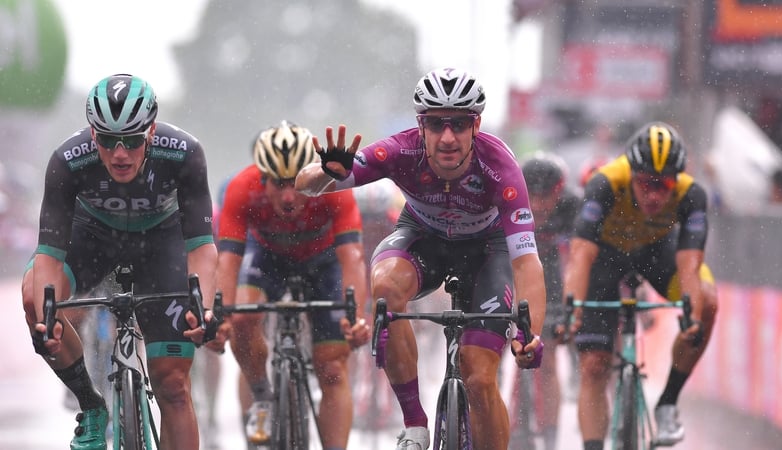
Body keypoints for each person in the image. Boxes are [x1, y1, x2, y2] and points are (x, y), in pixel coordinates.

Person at [295, 67, 547, 450]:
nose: (447, 137)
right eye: (435, 124)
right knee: (384, 286)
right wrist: (324, 174)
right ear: (420, 125)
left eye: (459, 124)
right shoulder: (401, 150)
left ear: (476, 125)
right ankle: (414, 423)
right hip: (424, 237)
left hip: (486, 250)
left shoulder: (501, 168)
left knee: (479, 377)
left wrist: (531, 334)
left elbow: (527, 262)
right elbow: (306, 185)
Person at [21, 73, 221, 450]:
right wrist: (47, 318)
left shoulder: (184, 153)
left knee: (174, 386)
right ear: (93, 135)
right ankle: (91, 405)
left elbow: (201, 246)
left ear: (151, 131)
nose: (120, 154)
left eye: (131, 140)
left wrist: (204, 306)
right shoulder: (67, 160)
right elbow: (49, 253)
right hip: (92, 238)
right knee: (34, 299)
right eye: (109, 141)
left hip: (161, 244)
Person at [214, 120, 370, 450]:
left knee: (331, 366)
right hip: (267, 255)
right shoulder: (242, 188)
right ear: (262, 178)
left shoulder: (332, 187)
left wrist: (356, 318)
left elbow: (352, 258)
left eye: (296, 183)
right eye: (278, 184)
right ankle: (261, 398)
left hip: (323, 260)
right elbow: (228, 261)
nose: (288, 196)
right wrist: (219, 319)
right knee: (241, 318)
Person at [562, 121, 717, 450]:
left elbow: (689, 264)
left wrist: (692, 315)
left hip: (657, 252)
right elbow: (581, 256)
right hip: (605, 257)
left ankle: (668, 404)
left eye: (664, 186)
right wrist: (570, 310)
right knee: (593, 366)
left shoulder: (691, 194)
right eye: (646, 183)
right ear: (631, 173)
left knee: (707, 299)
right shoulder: (605, 182)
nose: (654, 195)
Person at [518, 152, 580, 450]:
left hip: (553, 275)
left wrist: (572, 302)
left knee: (550, 359)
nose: (540, 206)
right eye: (534, 197)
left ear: (560, 192)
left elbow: (580, 257)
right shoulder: (509, 198)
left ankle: (552, 435)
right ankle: (515, 424)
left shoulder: (572, 206)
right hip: (515, 269)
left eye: (547, 197)